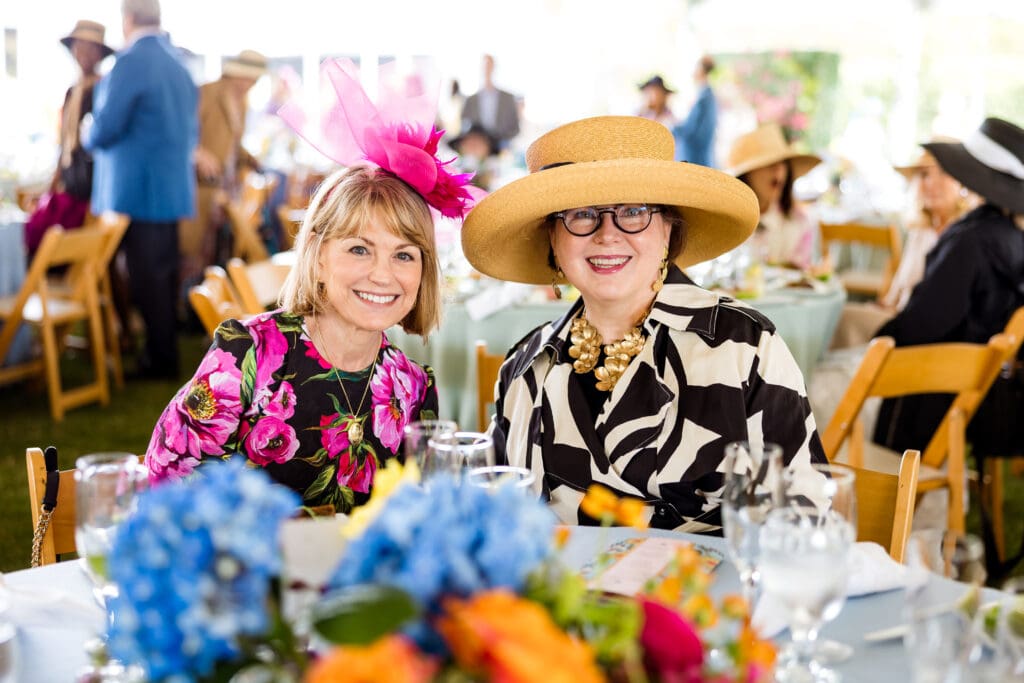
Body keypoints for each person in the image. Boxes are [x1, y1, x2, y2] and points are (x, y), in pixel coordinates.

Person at [460, 115, 827, 530]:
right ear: (553, 239)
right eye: (582, 214)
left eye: (633, 211)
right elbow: (493, 521)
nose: (607, 234)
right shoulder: (525, 367)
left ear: (668, 228)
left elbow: (805, 521)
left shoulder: (745, 346)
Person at [147, 58, 477, 511]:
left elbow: (421, 515)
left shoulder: (413, 388)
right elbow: (167, 487)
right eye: (359, 249)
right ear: (319, 257)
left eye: (404, 255)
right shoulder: (248, 356)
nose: (383, 274)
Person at [872, 117, 1024, 457]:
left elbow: (923, 324)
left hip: (926, 402)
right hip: (974, 395)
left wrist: (877, 338)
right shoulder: (1012, 239)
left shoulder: (971, 241)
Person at [83, 0, 198, 380]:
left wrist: (85, 130)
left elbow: (105, 129)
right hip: (171, 190)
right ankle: (162, 355)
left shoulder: (131, 62)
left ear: (128, 19)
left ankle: (158, 360)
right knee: (162, 278)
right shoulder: (180, 64)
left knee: (147, 281)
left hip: (137, 192)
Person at [828, 142, 973, 349]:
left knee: (842, 319)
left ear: (961, 181)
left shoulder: (964, 238)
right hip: (896, 318)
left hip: (917, 334)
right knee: (838, 314)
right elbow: (897, 290)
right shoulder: (920, 231)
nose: (932, 183)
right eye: (924, 175)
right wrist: (884, 304)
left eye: (943, 173)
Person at [179, 50, 268, 292]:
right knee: (192, 249)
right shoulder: (206, 92)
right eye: (246, 77)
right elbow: (181, 132)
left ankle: (206, 298)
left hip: (224, 187)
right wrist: (197, 152)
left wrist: (252, 160)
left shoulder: (242, 103)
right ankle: (188, 300)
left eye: (254, 79)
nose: (249, 84)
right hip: (199, 186)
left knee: (214, 250)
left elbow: (233, 144)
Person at [24, 20, 114, 259]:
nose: (83, 53)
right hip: (70, 188)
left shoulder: (103, 90)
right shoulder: (71, 93)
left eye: (90, 48)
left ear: (99, 53)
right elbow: (64, 145)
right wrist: (51, 184)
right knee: (33, 232)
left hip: (90, 193)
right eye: (79, 46)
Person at [726, 123, 822, 269]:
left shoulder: (799, 222)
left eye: (782, 163)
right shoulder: (727, 223)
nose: (778, 169)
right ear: (747, 174)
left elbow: (804, 271)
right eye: (768, 163)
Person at [460, 55, 520, 151]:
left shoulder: (508, 98)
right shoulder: (471, 100)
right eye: (485, 66)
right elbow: (464, 125)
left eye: (489, 65)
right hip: (478, 150)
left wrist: (504, 142)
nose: (487, 69)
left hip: (501, 149)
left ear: (494, 68)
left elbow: (515, 127)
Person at [672, 55, 718, 167]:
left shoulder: (704, 97)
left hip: (696, 155)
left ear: (701, 69)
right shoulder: (706, 95)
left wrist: (670, 128)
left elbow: (690, 128)